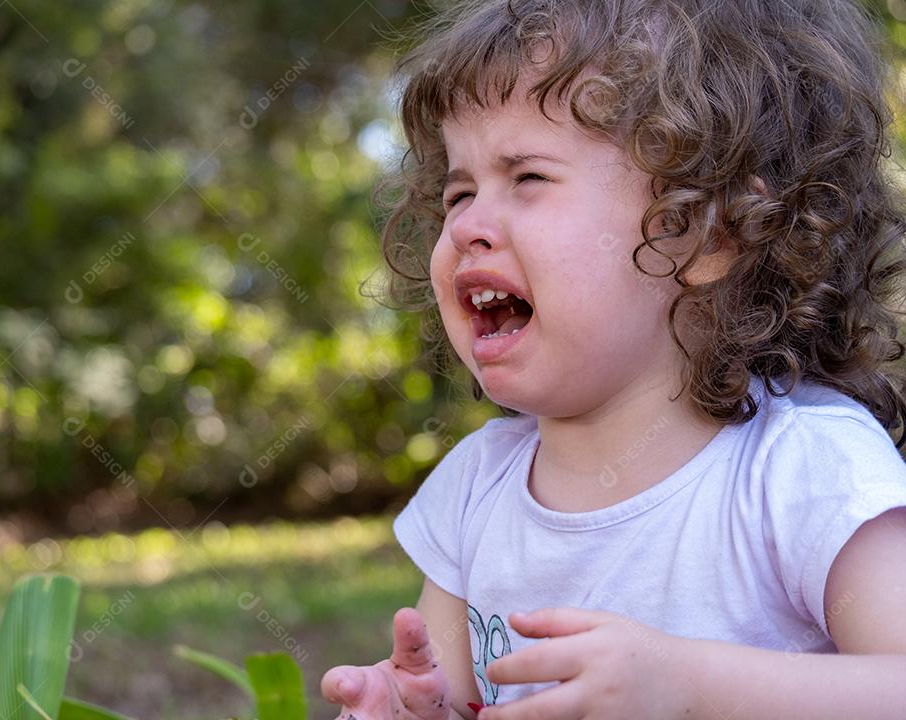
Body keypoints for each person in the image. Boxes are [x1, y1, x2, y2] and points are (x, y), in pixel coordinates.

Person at [320, 0, 906, 718]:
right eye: (459, 191)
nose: (467, 225)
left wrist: (690, 685)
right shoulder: (476, 490)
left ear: (703, 234)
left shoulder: (804, 473)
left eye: (527, 178)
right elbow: (455, 698)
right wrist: (410, 708)